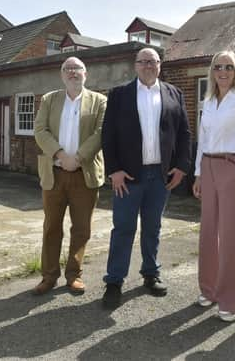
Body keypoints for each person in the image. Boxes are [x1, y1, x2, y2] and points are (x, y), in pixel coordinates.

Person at [101, 47, 191, 308]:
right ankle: (114, 281)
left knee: (153, 227)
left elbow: (184, 133)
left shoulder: (174, 93)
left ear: (160, 65)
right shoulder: (119, 95)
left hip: (160, 176)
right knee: (123, 228)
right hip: (128, 176)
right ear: (135, 65)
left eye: (153, 61)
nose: (148, 65)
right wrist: (114, 170)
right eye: (143, 61)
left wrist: (182, 167)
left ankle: (150, 274)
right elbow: (108, 135)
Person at [192, 50, 235, 322]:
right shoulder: (207, 101)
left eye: (228, 67)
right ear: (212, 71)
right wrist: (197, 174)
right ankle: (209, 289)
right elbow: (202, 140)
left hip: (232, 168)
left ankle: (232, 300)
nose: (223, 71)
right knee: (208, 233)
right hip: (207, 168)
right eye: (218, 66)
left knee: (232, 237)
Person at [32, 56, 107, 295]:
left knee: (81, 228)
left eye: (77, 68)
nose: (72, 72)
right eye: (67, 69)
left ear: (86, 73)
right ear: (62, 75)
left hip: (84, 174)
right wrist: (61, 154)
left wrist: (78, 158)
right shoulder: (49, 99)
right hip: (54, 173)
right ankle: (49, 276)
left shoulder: (100, 101)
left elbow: (102, 132)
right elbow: (40, 130)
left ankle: (74, 275)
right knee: (52, 227)